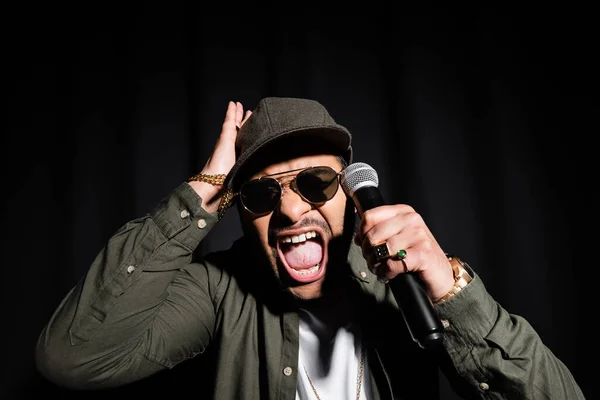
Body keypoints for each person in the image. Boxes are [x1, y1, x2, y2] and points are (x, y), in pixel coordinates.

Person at [35, 97, 585, 399]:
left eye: (316, 183)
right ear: (239, 208)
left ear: (348, 190)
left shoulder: (405, 285)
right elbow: (70, 356)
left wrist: (449, 289)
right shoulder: (220, 291)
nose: (294, 211)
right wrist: (207, 186)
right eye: (261, 192)